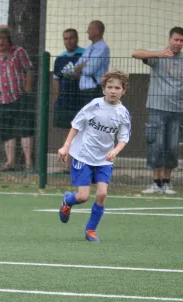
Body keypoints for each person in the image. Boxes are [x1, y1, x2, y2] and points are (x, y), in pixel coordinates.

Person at [57, 70, 131, 242]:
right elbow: (76, 125)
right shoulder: (94, 106)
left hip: (104, 159)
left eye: (117, 88)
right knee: (83, 196)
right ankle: (67, 201)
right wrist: (66, 147)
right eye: (110, 87)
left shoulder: (123, 113)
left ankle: (90, 230)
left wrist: (115, 151)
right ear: (103, 89)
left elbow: (124, 137)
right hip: (83, 156)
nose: (113, 91)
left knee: (102, 194)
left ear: (123, 91)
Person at [132, 26, 183, 195]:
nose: (178, 43)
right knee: (157, 144)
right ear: (169, 40)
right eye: (176, 39)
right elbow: (136, 53)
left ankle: (167, 183)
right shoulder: (158, 56)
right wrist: (158, 54)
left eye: (181, 41)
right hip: (157, 107)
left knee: (172, 147)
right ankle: (156, 182)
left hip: (178, 110)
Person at [0, 26, 35, 172]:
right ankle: (10, 162)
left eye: (4, 38)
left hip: (20, 97)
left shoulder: (19, 52)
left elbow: (29, 70)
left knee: (26, 130)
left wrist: (27, 89)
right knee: (7, 132)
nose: (1, 41)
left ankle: (28, 164)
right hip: (1, 100)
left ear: (8, 40)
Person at [53, 28, 86, 130]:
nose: (68, 41)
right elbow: (56, 80)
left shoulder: (84, 54)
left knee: (82, 131)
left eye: (71, 38)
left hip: (81, 99)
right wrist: (56, 99)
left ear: (76, 39)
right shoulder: (60, 58)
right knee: (67, 132)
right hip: (65, 101)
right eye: (65, 39)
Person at [74, 20, 110, 104]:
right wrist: (83, 64)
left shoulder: (102, 48)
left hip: (94, 90)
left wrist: (80, 67)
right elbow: (75, 67)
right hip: (85, 91)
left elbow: (89, 70)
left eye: (89, 29)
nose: (87, 31)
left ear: (96, 31)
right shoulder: (89, 48)